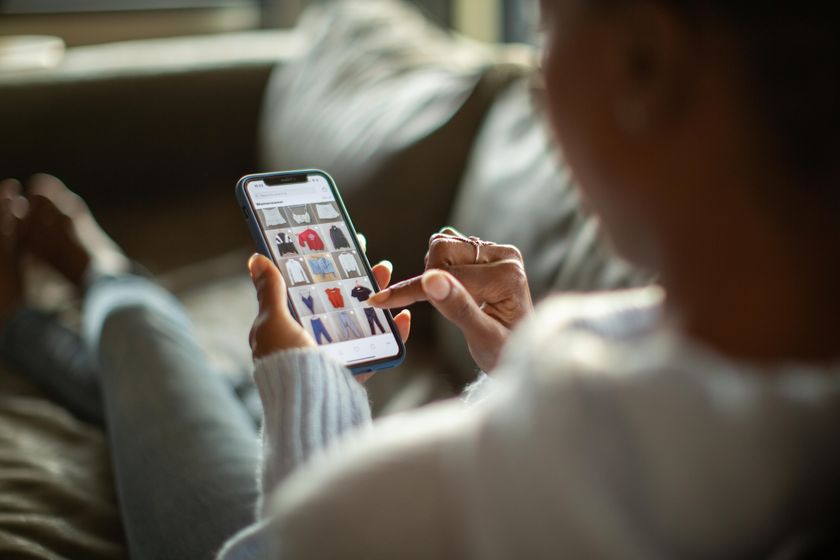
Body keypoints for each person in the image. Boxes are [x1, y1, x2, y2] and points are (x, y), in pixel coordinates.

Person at [2, 0, 840, 558]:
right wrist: (511, 369)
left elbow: (290, 540)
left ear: (645, 62)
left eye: (547, 30)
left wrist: (316, 389)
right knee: (204, 393)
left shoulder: (438, 495)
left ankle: (101, 282)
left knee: (165, 354)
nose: (538, 79)